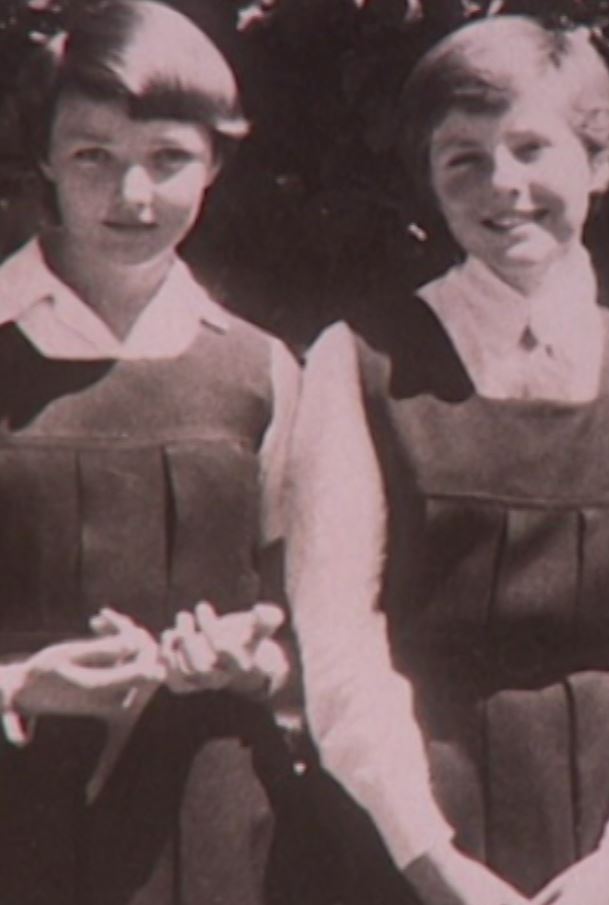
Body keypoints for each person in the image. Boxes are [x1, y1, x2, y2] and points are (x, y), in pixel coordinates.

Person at [286, 16, 609, 905]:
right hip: (413, 825)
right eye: (464, 158)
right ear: (431, 181)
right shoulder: (357, 361)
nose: (505, 184)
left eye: (534, 148)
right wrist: (431, 859)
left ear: (601, 162)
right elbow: (337, 637)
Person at [0, 2, 305, 903]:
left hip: (205, 820)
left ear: (215, 160)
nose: (133, 197)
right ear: (45, 157)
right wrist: (20, 681)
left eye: (169, 158)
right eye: (94, 155)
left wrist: (254, 666)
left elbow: (318, 624)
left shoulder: (263, 370)